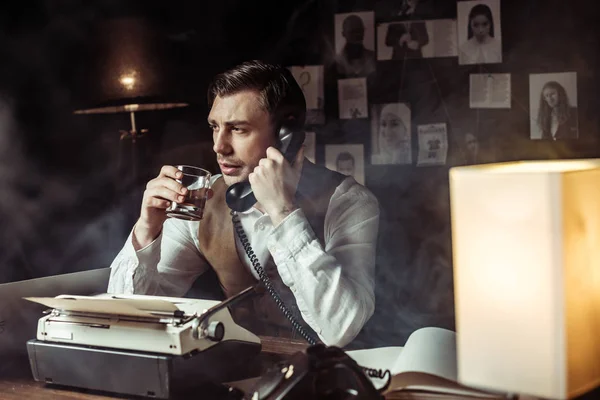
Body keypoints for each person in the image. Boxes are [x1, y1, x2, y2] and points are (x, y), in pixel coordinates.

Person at [107, 60, 380, 347]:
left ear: (286, 136)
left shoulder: (349, 202)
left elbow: (341, 328)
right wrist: (146, 230)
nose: (219, 146)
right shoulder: (204, 199)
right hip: (236, 372)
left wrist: (283, 212)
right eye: (215, 127)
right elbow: (131, 315)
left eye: (237, 129)